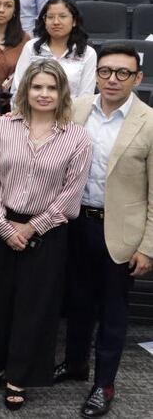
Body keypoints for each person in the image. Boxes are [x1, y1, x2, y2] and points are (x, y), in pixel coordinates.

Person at [0, 59, 92, 411]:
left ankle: (19, 376)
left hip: (49, 231)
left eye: (52, 88)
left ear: (62, 93)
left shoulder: (77, 137)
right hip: (3, 225)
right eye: (37, 86)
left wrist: (32, 227)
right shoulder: (3, 128)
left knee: (34, 307)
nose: (44, 94)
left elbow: (71, 195)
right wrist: (2, 224)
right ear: (26, 89)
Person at [57, 44, 153, 417]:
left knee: (113, 312)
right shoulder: (77, 109)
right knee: (77, 302)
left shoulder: (148, 121)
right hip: (76, 223)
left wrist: (147, 245)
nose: (113, 79)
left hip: (120, 232)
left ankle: (104, 383)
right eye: (107, 71)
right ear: (96, 75)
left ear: (138, 78)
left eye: (123, 73)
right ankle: (75, 363)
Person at [11, 0, 97, 98]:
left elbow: (86, 97)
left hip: (72, 112)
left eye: (62, 16)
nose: (56, 22)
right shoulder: (31, 47)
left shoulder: (87, 53)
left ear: (74, 21)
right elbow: (18, 89)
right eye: (50, 17)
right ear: (44, 21)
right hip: (32, 112)